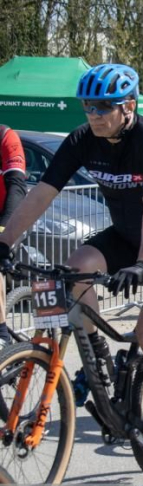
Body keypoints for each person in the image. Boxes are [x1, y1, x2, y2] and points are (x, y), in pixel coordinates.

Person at [0, 64, 143, 462]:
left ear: (128, 106)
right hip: (128, 234)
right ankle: (98, 360)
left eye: (102, 107)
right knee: (75, 269)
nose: (92, 114)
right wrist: (5, 242)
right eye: (87, 106)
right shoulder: (82, 139)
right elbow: (41, 193)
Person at [0, 124, 27, 345]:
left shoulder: (6, 137)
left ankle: (1, 336)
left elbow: (17, 187)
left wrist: (3, 232)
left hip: (8, 218)